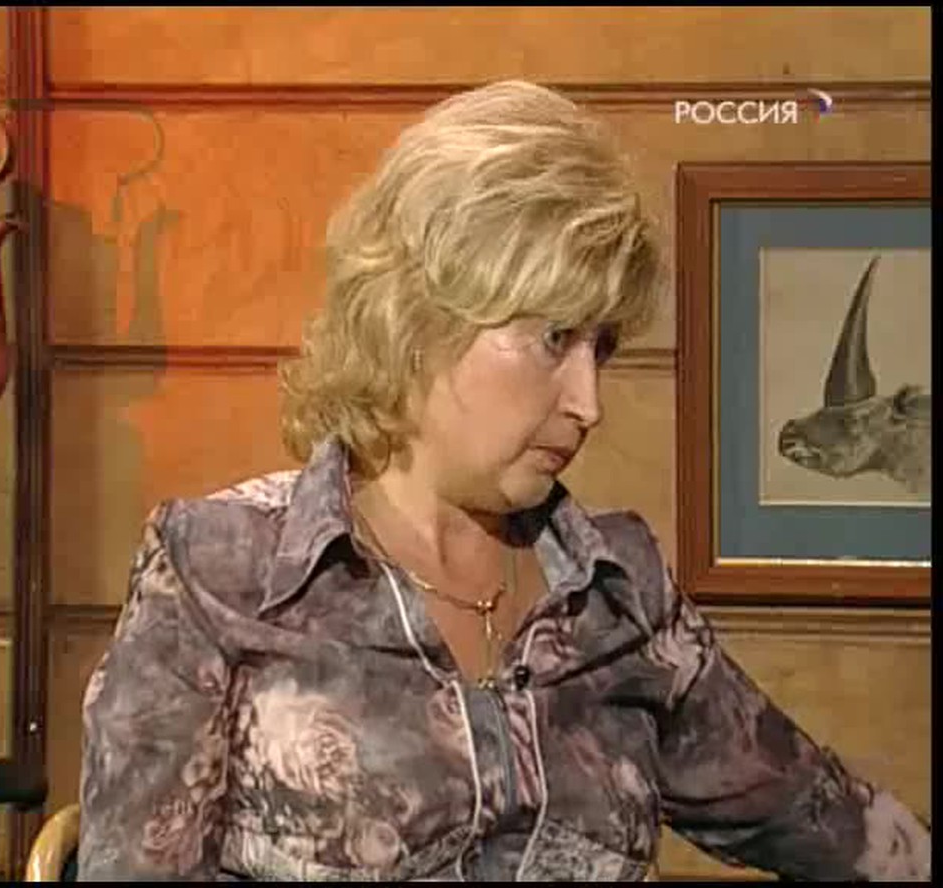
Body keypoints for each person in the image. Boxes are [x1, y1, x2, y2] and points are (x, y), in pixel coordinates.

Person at [77, 80, 931, 881]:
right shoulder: (219, 572)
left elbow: (831, 822)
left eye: (601, 348)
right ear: (418, 318)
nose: (588, 402)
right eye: (554, 338)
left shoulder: (618, 594)